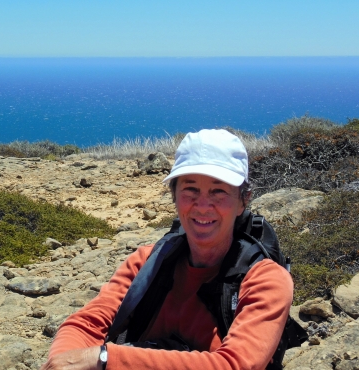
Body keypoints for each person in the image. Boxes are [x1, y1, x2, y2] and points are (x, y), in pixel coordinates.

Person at [40, 129, 293, 370]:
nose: (203, 206)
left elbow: (236, 364)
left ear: (243, 201)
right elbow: (85, 325)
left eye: (219, 191)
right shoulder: (147, 262)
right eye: (190, 189)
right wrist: (65, 361)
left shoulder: (266, 279)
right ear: (174, 196)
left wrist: (106, 358)